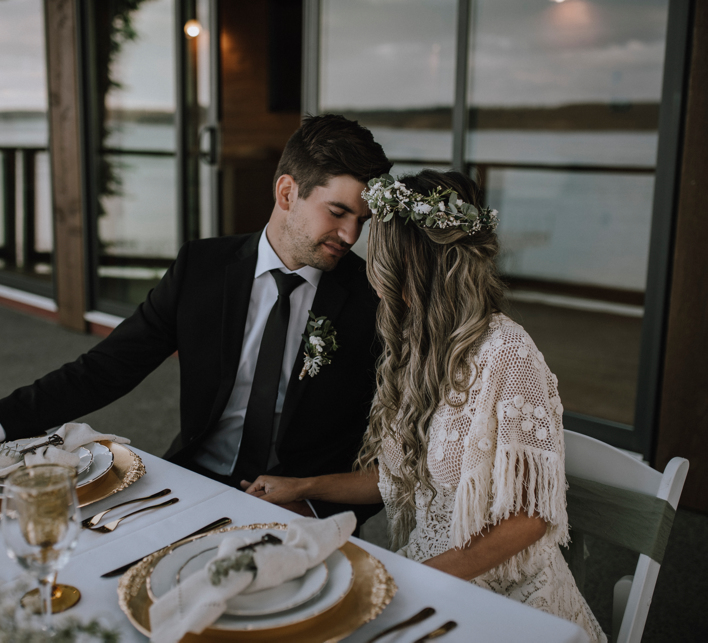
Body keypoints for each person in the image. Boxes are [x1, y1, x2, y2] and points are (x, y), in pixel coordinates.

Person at [0, 114, 391, 523]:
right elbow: (104, 369)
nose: (351, 236)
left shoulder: (372, 298)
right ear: (287, 193)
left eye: (362, 221)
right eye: (338, 213)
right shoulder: (202, 269)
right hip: (191, 478)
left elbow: (391, 441)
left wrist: (315, 502)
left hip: (302, 505)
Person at [244, 169, 607, 641]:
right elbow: (395, 478)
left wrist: (417, 579)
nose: (371, 270)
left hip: (508, 599)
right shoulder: (413, 347)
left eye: (381, 255)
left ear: (413, 264)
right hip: (431, 575)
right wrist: (302, 485)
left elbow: (531, 517)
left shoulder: (508, 354)